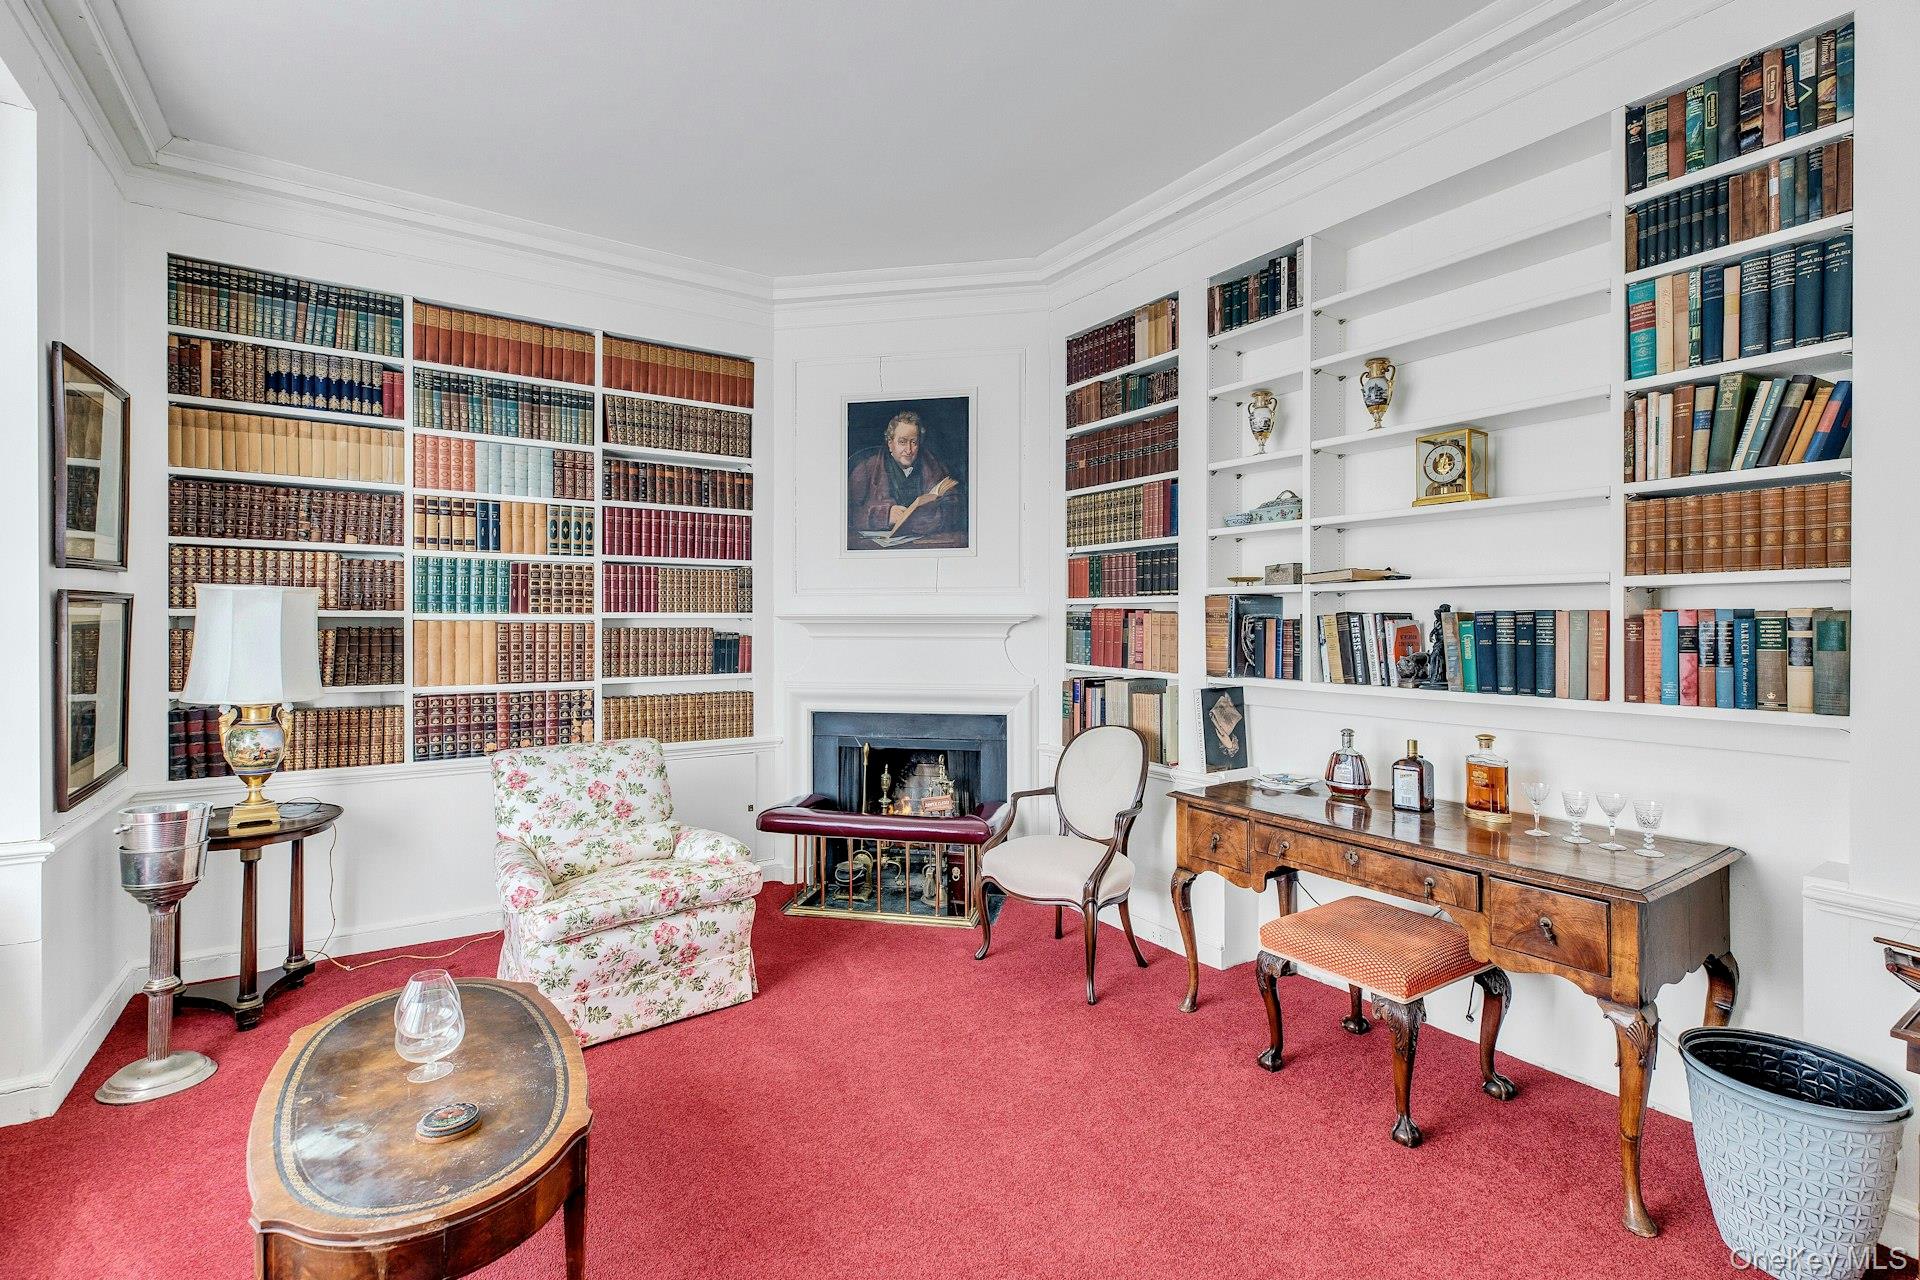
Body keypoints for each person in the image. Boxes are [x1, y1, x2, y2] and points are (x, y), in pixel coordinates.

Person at [847, 411, 961, 544]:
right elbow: (848, 513)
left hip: (923, 543)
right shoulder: (866, 468)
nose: (909, 450)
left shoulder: (932, 465)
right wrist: (885, 516)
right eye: (902, 442)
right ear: (890, 443)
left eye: (914, 442)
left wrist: (929, 519)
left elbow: (955, 507)